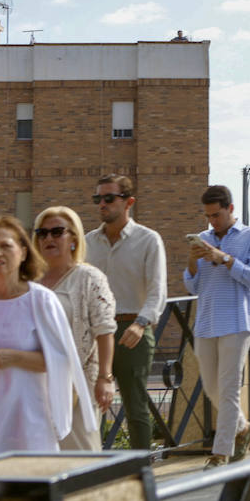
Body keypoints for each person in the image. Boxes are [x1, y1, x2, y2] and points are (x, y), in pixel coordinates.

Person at [0, 216, 95, 457]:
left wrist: (15, 357)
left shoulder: (40, 300)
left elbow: (62, 361)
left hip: (30, 420)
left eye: (5, 246)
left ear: (23, 252)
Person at [184, 185, 250, 469]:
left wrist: (226, 259)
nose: (212, 222)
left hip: (236, 320)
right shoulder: (204, 239)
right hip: (206, 321)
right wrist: (192, 261)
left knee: (229, 388)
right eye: (208, 216)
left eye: (217, 215)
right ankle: (242, 429)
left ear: (230, 209)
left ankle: (221, 453)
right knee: (211, 387)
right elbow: (192, 285)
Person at [83, 174, 166, 452]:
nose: (102, 204)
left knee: (135, 406)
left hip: (133, 330)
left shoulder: (148, 240)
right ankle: (93, 468)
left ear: (128, 202)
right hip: (94, 334)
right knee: (92, 404)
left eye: (109, 198)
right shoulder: (88, 242)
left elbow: (157, 290)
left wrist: (141, 324)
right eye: (98, 199)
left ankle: (142, 469)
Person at [34, 206, 116, 450]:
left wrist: (105, 377)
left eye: (57, 232)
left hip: (78, 383)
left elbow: (105, 329)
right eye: (42, 233)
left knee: (82, 457)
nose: (49, 238)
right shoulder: (27, 280)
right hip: (35, 382)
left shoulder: (89, 278)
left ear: (73, 239)